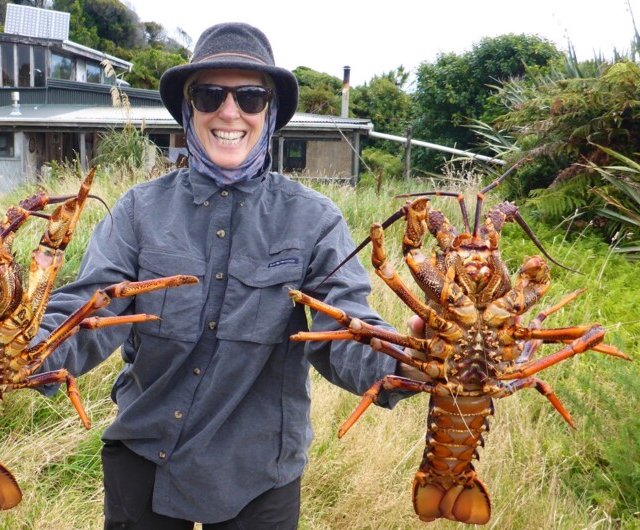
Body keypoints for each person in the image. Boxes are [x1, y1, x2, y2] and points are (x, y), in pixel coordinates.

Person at [36, 22, 417, 530]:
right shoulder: (138, 211)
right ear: (189, 109)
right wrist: (10, 348)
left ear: (270, 111)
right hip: (145, 455)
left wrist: (411, 362)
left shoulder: (315, 220)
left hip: (257, 472)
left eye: (251, 97)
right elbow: (87, 311)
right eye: (210, 95)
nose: (230, 112)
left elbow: (344, 330)